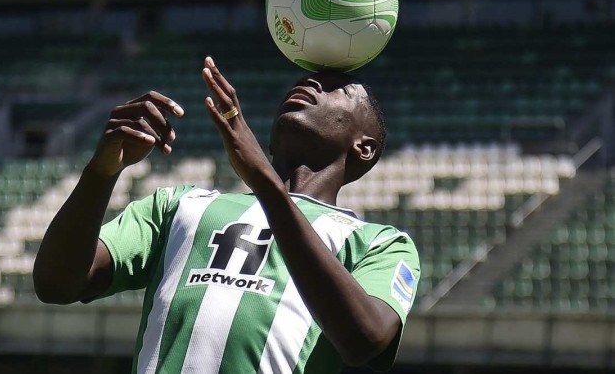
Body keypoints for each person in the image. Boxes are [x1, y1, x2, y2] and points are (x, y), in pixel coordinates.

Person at [33, 56, 420, 374]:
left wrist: (265, 181)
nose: (310, 84)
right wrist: (101, 172)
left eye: (338, 88)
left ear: (364, 147)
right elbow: (56, 284)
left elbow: (366, 339)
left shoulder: (380, 243)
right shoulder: (179, 205)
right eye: (304, 80)